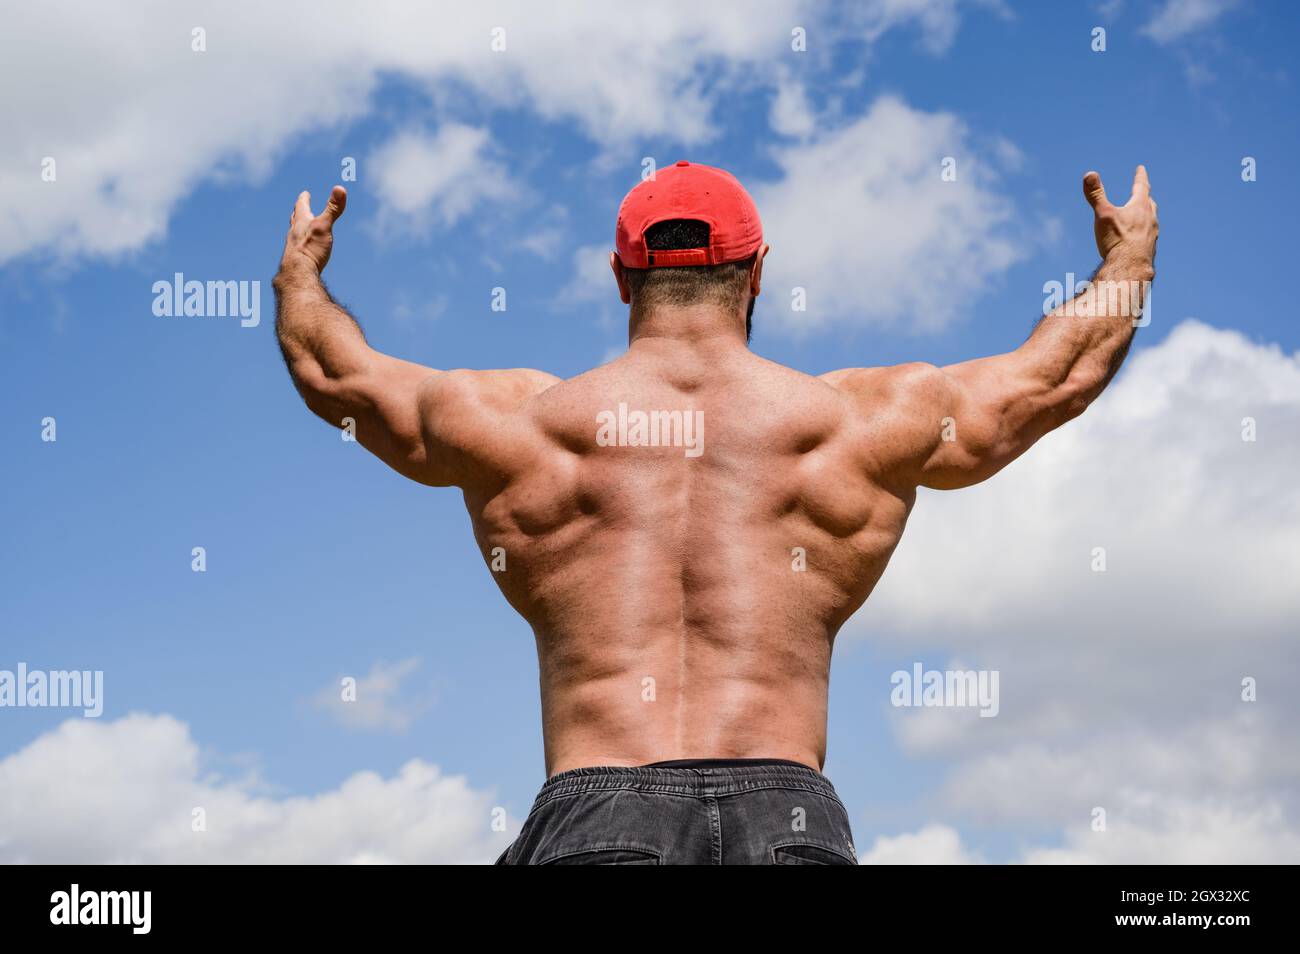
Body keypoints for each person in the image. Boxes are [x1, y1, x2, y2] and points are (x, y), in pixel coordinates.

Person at [273, 160, 1158, 864]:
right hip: (791, 821)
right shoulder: (859, 423)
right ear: (758, 274)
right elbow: (1057, 377)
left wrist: (301, 275)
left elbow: (331, 373)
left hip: (599, 812)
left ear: (623, 278)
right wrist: (1128, 259)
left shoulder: (520, 427)